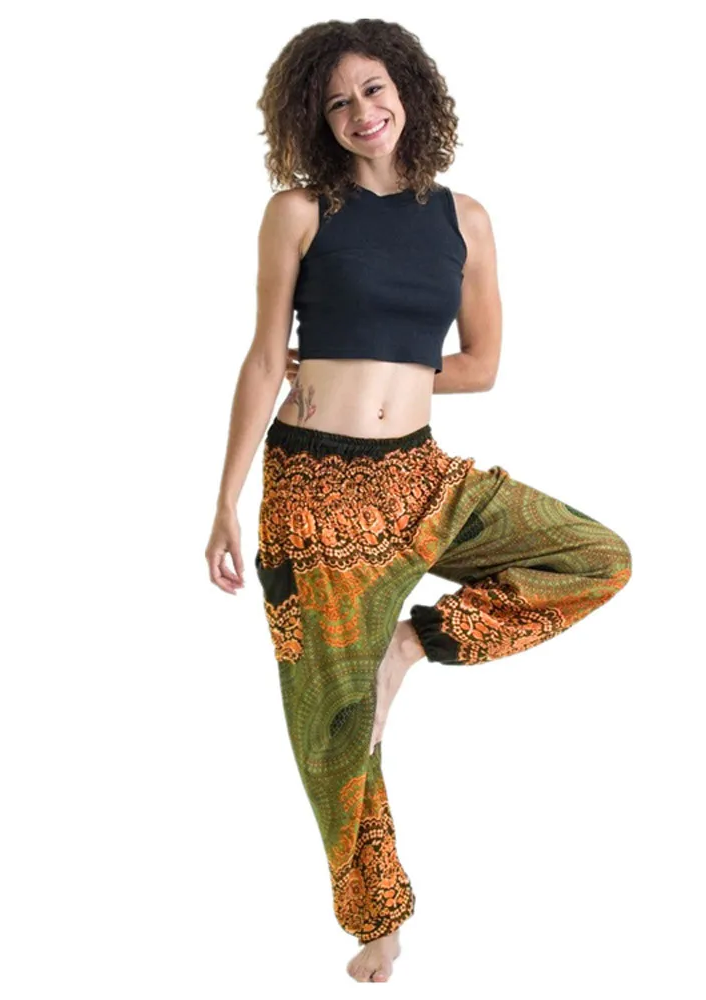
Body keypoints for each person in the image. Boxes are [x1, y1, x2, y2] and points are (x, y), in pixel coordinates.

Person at [205, 18, 632, 983]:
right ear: (315, 120)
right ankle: (380, 918)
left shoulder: (464, 219)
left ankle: (414, 645)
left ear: (408, 90)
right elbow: (266, 359)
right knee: (333, 730)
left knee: (599, 556)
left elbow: (481, 364)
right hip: (314, 496)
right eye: (337, 102)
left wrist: (384, 370)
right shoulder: (298, 211)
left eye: (373, 89)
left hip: (419, 478)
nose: (361, 112)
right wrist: (225, 502)